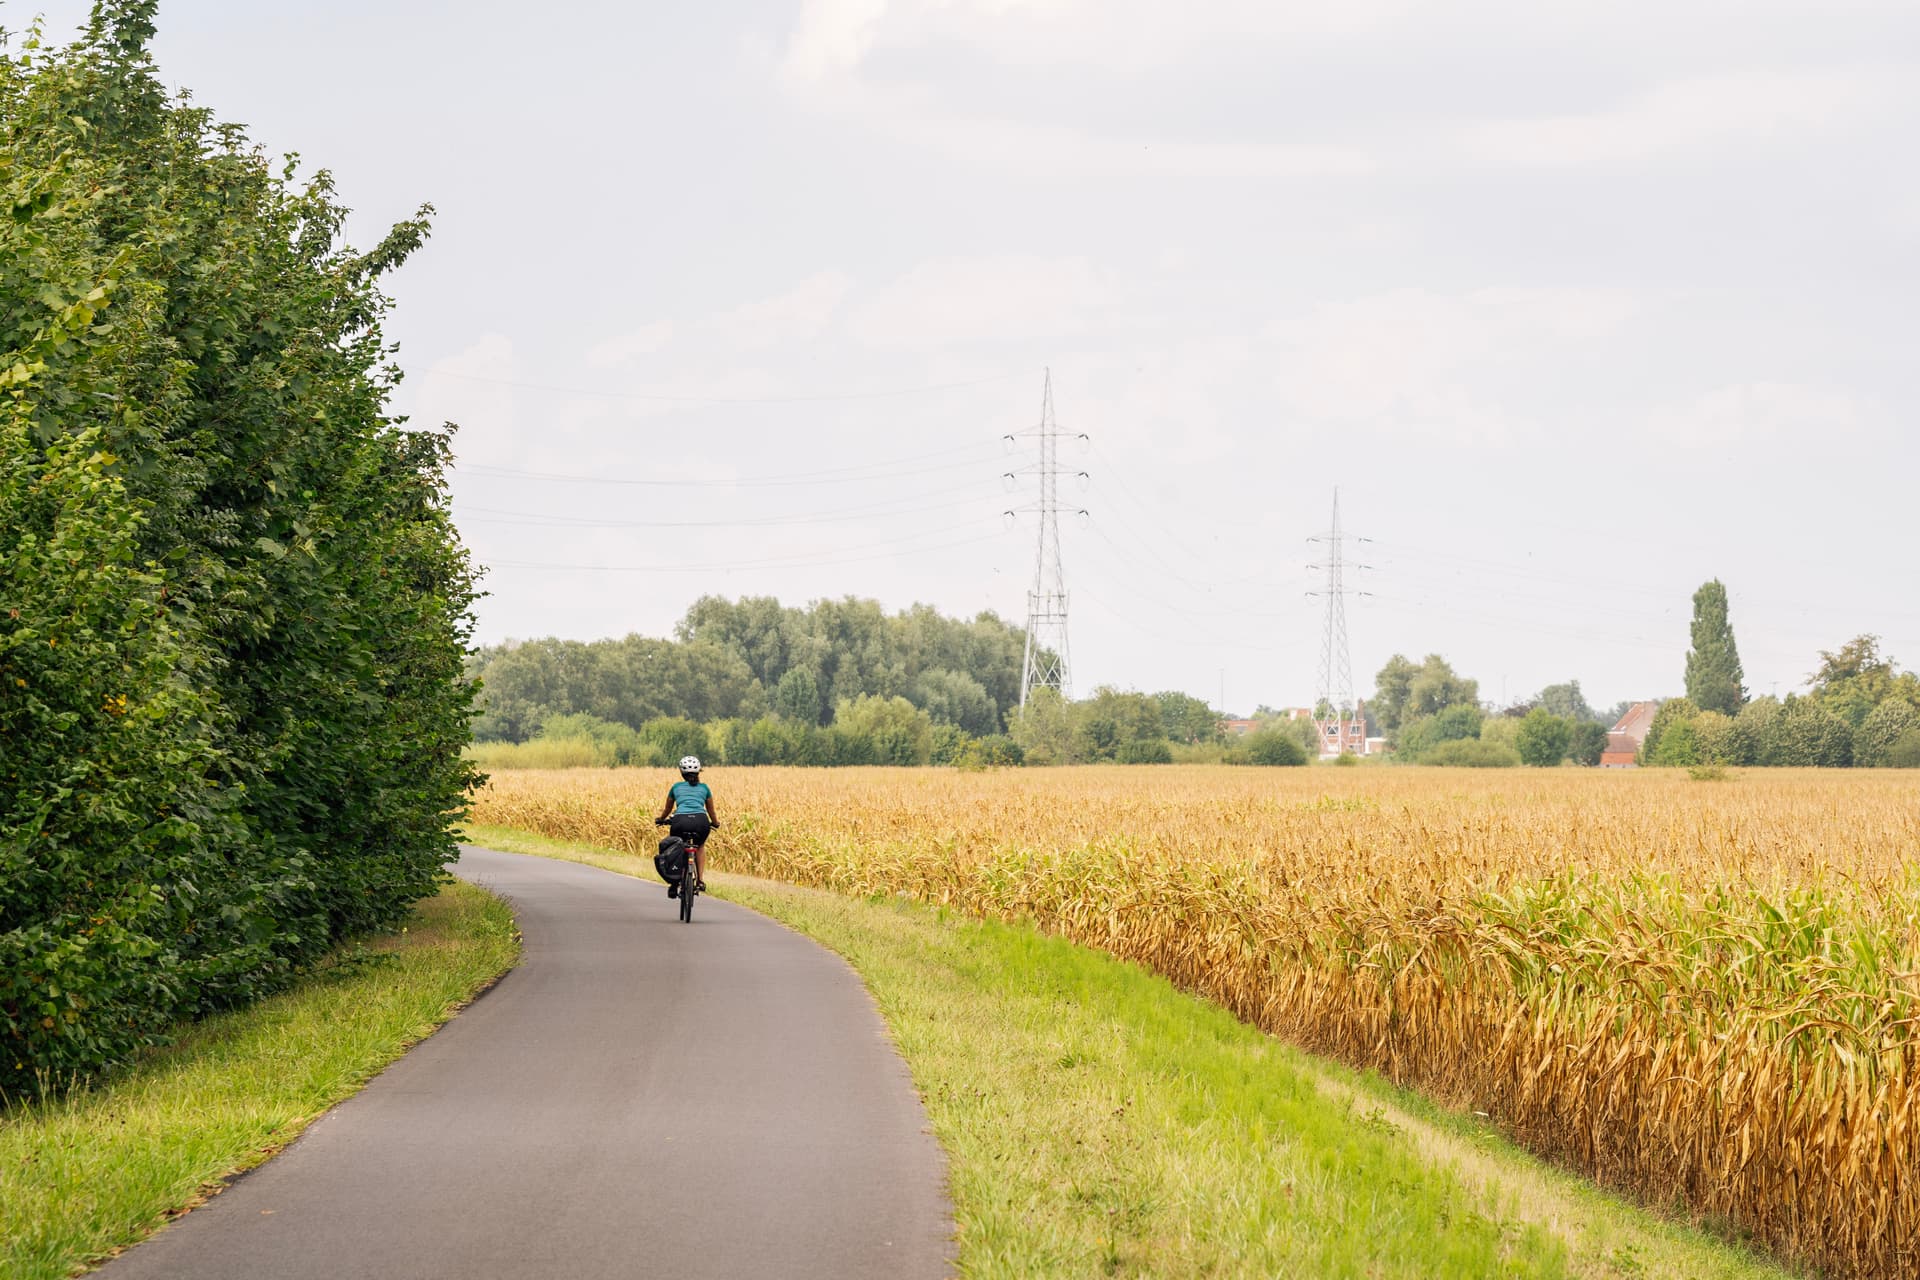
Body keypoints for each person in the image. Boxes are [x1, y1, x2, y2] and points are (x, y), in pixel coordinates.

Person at [654, 755, 718, 898]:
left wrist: (661, 819)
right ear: (698, 772)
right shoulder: (704, 788)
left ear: (682, 773)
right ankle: (700, 880)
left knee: (678, 847)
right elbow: (711, 811)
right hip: (701, 822)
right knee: (700, 846)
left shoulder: (676, 787)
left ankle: (675, 884)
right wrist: (715, 822)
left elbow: (667, 809)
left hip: (680, 821)